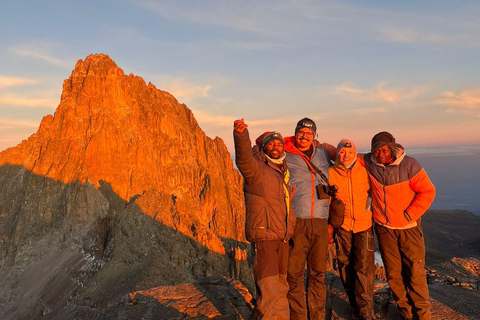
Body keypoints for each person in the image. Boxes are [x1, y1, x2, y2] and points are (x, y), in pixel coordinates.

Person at [362, 131, 435, 320]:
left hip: (408, 229)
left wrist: (409, 214)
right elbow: (347, 153)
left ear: (393, 148)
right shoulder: (370, 162)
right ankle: (406, 312)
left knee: (415, 272)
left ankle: (422, 314)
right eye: (376, 150)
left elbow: (428, 191)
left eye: (384, 149)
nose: (381, 153)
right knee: (394, 274)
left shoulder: (410, 165)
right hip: (384, 229)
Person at [233, 119, 296, 320]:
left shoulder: (282, 171)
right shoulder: (257, 170)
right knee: (268, 290)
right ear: (264, 148)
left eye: (279, 143)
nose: (276, 146)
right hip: (265, 237)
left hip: (281, 237)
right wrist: (241, 136)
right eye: (271, 144)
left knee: (281, 287)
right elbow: (243, 161)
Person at [284, 117, 332, 320]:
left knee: (318, 274)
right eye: (301, 133)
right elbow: (261, 146)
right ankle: (298, 316)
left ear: (314, 136)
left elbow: (348, 158)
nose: (304, 137)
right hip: (298, 221)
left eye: (309, 134)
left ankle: (317, 316)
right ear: (295, 133)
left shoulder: (322, 153)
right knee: (293, 274)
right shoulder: (285, 153)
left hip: (321, 221)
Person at [328, 139, 374, 320]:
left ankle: (365, 310)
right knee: (345, 265)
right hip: (343, 226)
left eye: (349, 151)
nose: (345, 155)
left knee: (363, 266)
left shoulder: (365, 171)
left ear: (355, 153)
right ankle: (355, 304)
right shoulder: (331, 173)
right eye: (341, 152)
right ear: (337, 153)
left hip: (364, 225)